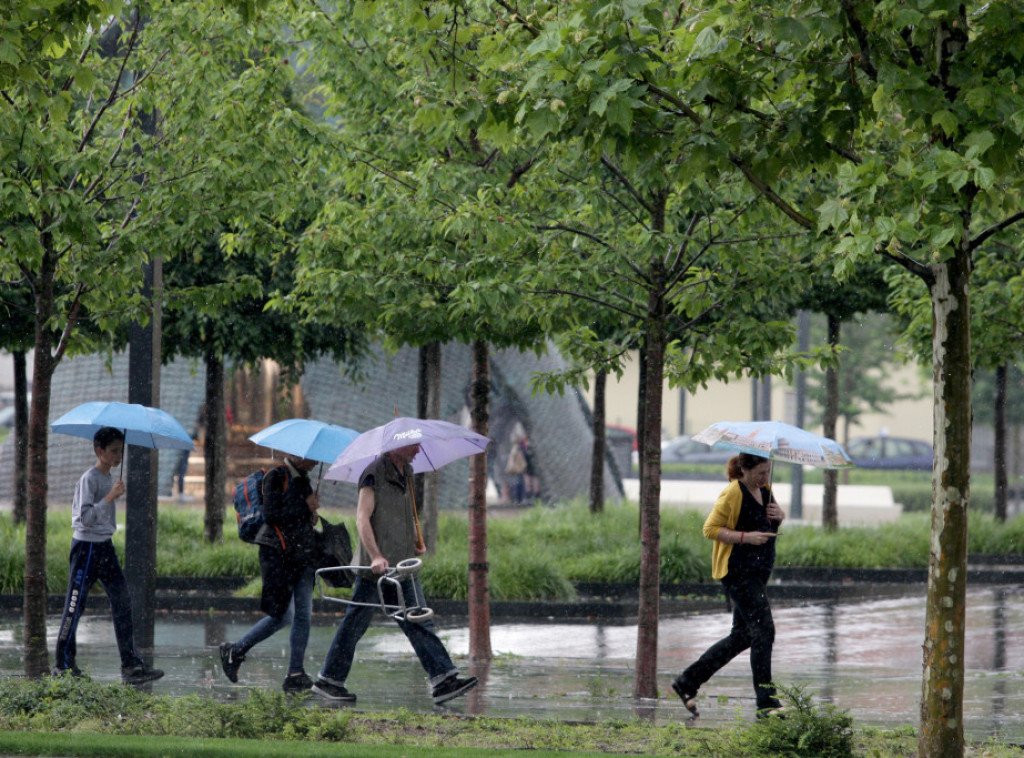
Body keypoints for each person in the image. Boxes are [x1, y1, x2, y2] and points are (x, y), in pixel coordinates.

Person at [312, 444, 478, 705]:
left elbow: (403, 515)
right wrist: (376, 556)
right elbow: (362, 519)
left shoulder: (408, 473)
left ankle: (443, 679)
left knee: (415, 620)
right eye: (413, 445)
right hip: (376, 570)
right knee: (358, 625)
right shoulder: (372, 474)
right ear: (397, 447)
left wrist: (414, 539)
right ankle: (329, 681)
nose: (418, 450)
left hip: (400, 567)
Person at [671, 452, 785, 719]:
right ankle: (767, 702)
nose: (764, 477)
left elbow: (769, 523)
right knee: (764, 631)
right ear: (743, 470)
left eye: (767, 471)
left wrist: (780, 515)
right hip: (738, 572)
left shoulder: (765, 490)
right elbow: (710, 529)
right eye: (759, 472)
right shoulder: (733, 493)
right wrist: (746, 537)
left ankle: (687, 682)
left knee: (743, 635)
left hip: (758, 573)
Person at [53, 427, 164, 684]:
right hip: (86, 548)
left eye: (121, 450)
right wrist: (109, 497)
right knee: (74, 605)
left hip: (105, 547)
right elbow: (84, 518)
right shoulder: (89, 480)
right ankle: (63, 664)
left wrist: (111, 494)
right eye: (113, 451)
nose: (119, 455)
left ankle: (131, 664)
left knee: (122, 601)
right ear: (99, 451)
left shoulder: (110, 479)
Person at [219, 456, 321, 693]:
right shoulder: (275, 476)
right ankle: (236, 650)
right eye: (311, 458)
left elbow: (298, 520)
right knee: (282, 615)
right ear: (297, 455)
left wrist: (312, 515)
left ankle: (295, 672)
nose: (316, 462)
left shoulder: (304, 482)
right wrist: (305, 506)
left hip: (303, 557)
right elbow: (272, 515)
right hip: (279, 556)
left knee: (304, 614)